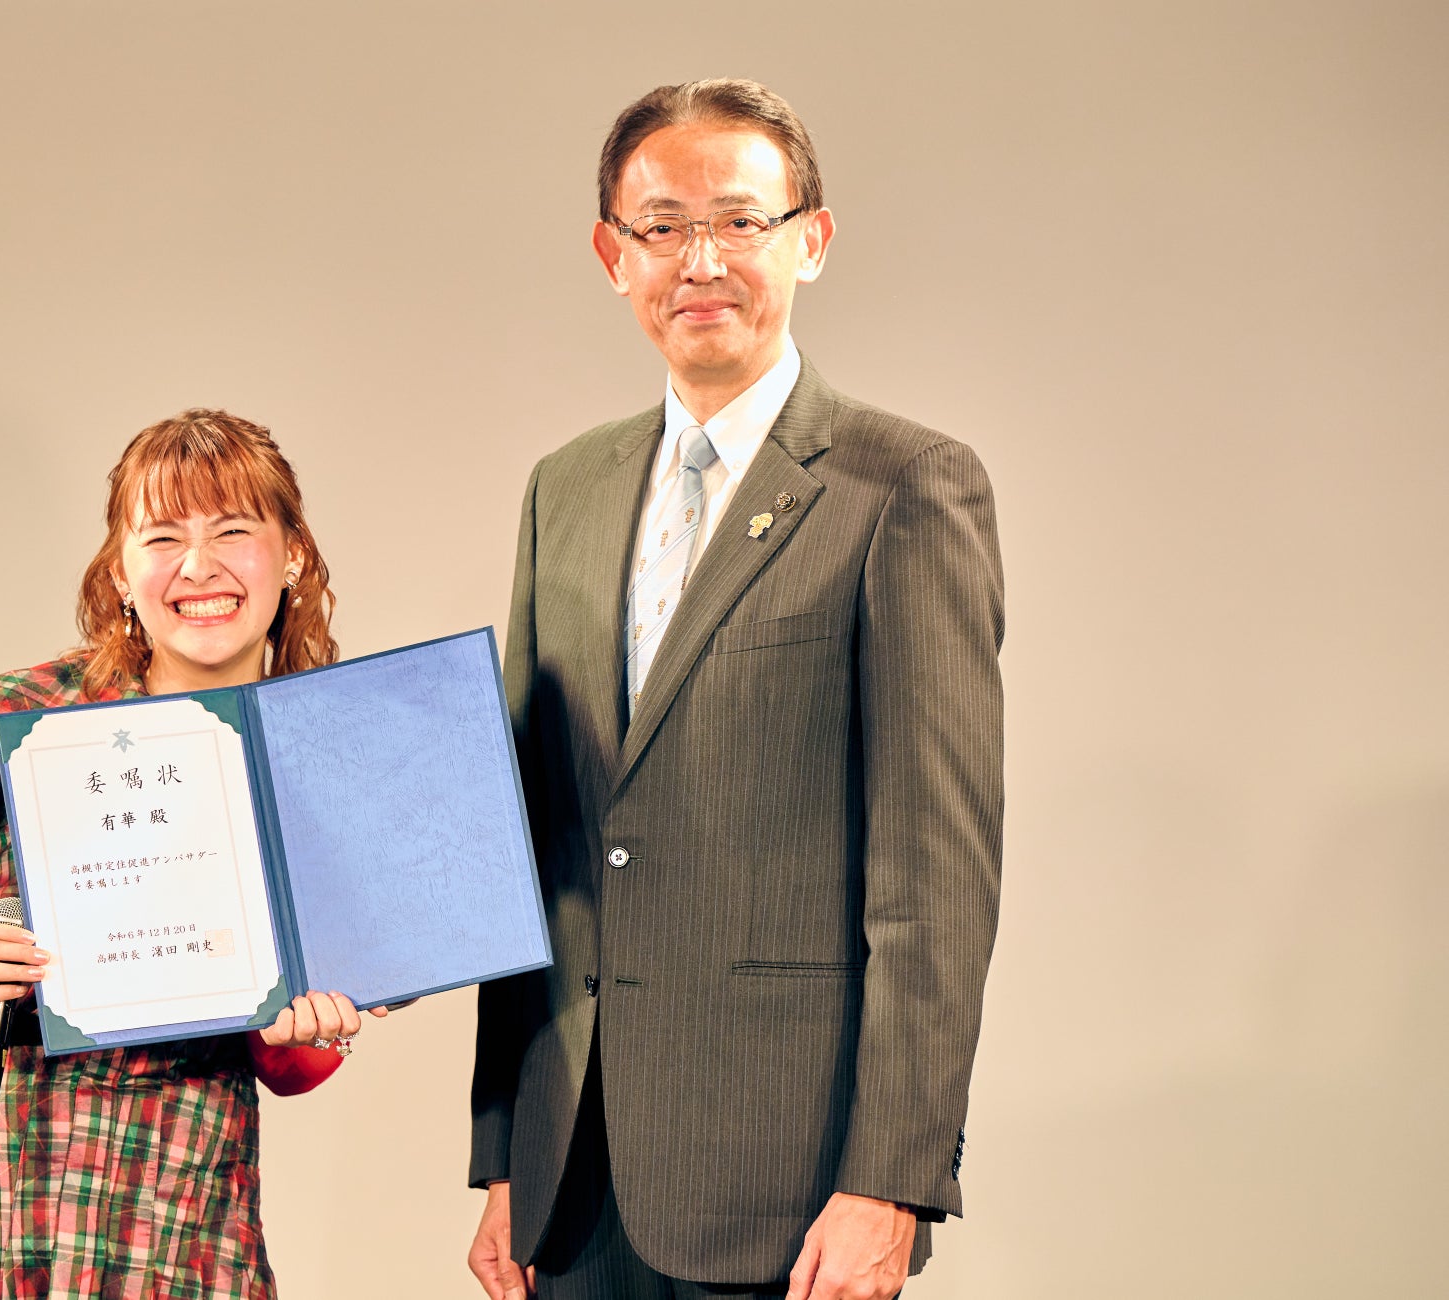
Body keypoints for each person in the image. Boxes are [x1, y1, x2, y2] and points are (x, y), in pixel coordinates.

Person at [467, 80, 1005, 1300]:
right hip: (574, 1172)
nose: (699, 260)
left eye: (740, 222)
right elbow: (532, 841)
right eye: (661, 227)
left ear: (810, 238)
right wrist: (505, 1148)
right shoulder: (567, 490)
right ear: (613, 256)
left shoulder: (904, 487)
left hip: (790, 1179)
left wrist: (893, 1181)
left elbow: (938, 878)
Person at [0, 408, 388, 1300]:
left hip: (171, 1200)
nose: (197, 568)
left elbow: (295, 1062)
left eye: (233, 532)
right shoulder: (20, 728)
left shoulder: (325, 764)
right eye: (162, 537)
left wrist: (301, 1028)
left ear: (293, 556)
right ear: (121, 573)